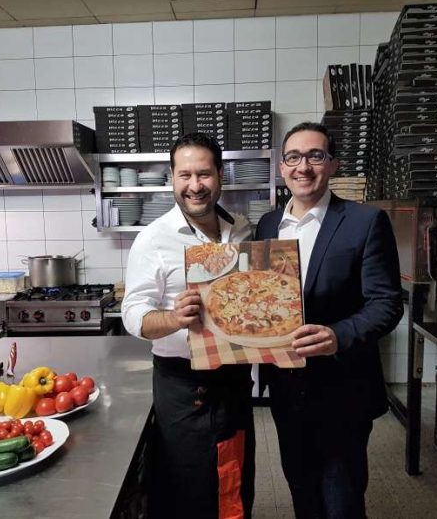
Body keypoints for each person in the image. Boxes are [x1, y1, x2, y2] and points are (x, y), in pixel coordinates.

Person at [255, 122, 403, 519]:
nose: (303, 166)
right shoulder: (268, 226)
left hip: (342, 389)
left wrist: (337, 335)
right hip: (286, 389)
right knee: (302, 493)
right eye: (293, 157)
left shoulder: (364, 222)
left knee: (342, 501)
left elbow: (387, 304)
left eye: (315, 156)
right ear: (282, 168)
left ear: (333, 164)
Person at [121, 132, 255, 519]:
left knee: (235, 483)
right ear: (172, 178)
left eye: (204, 174)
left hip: (234, 381)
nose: (194, 186)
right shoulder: (153, 238)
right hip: (185, 387)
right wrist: (174, 319)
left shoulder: (241, 230)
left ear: (220, 176)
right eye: (185, 176)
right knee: (189, 491)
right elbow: (134, 315)